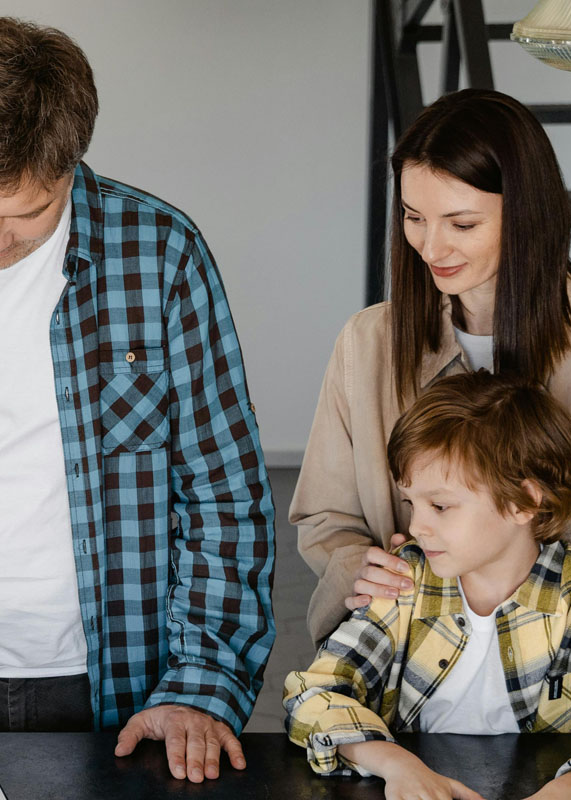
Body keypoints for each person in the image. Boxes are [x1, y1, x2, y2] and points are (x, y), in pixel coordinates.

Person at [290, 87, 571, 722]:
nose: (431, 247)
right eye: (413, 217)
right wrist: (356, 566)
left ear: (526, 214)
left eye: (462, 224)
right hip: (409, 707)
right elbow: (326, 518)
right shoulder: (366, 344)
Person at [0, 17, 274, 783]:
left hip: (109, 684)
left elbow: (224, 494)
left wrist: (200, 684)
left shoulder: (160, 255)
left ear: (70, 164)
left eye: (23, 217)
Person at [285, 371, 571, 800]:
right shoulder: (401, 583)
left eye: (440, 505)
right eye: (411, 503)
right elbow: (314, 692)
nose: (417, 526)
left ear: (524, 502)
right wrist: (396, 765)